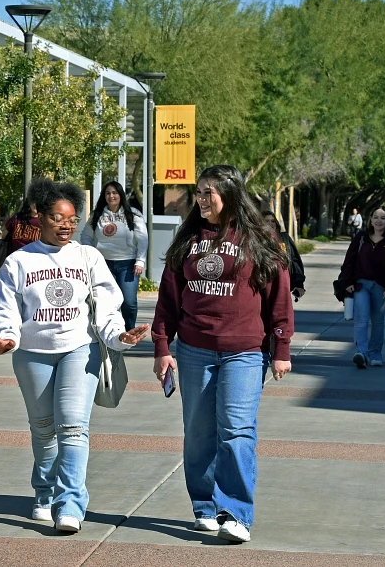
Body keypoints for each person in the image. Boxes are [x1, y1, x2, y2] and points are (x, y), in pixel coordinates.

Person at [0, 178, 150, 534]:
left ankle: (71, 504)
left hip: (80, 348)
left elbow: (106, 307)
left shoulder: (87, 256)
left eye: (73, 219)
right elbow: (6, 310)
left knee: (74, 427)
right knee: (44, 431)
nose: (66, 225)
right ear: (40, 217)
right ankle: (44, 494)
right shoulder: (18, 261)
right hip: (33, 355)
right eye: (58, 218)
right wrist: (8, 339)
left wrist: (119, 336)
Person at [151, 165, 293, 544]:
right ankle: (205, 507)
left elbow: (279, 297)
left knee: (237, 430)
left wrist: (281, 348)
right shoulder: (188, 239)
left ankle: (236, 513)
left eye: (209, 192)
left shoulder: (257, 239)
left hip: (244, 352)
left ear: (230, 194)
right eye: (198, 192)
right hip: (195, 350)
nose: (201, 199)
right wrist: (162, 347)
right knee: (198, 434)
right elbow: (168, 300)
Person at [337, 208, 385, 368]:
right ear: (370, 220)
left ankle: (375, 354)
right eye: (375, 217)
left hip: (381, 287)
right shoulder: (361, 238)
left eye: (383, 218)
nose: (379, 221)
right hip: (361, 285)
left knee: (378, 322)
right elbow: (349, 261)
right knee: (361, 319)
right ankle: (362, 353)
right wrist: (348, 282)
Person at [81, 181, 149, 330]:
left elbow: (142, 238)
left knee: (128, 302)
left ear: (120, 195)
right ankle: (108, 332)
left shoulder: (133, 214)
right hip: (103, 264)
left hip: (128, 264)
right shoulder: (97, 215)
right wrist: (92, 255)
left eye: (114, 193)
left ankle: (129, 331)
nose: (111, 196)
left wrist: (140, 261)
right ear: (104, 196)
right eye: (108, 193)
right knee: (105, 301)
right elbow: (85, 236)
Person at [261, 210, 306, 301]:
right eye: (266, 221)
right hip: (262, 288)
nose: (271, 224)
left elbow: (294, 261)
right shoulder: (256, 240)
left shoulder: (284, 238)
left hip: (283, 285)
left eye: (273, 221)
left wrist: (298, 284)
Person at [0, 199, 41, 268]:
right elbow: (1, 237)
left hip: (33, 265)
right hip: (13, 263)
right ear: (29, 203)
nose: (35, 205)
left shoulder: (45, 223)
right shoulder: (17, 218)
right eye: (33, 201)